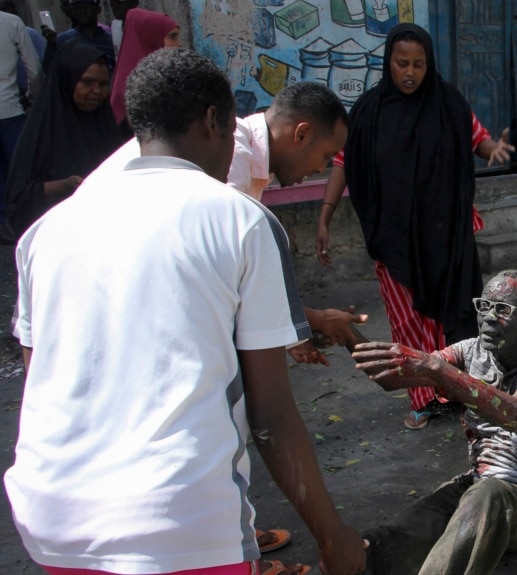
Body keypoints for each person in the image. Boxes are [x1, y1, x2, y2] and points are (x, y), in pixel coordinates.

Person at [5, 47, 367, 575]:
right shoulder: (239, 218)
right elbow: (269, 418)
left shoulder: (45, 231)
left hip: (49, 517)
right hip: (177, 520)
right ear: (213, 120)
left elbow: (45, 379)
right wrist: (334, 539)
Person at [98, 81, 366, 368]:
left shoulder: (244, 156)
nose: (319, 169)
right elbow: (223, 278)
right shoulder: (232, 154)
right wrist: (309, 320)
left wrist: (296, 329)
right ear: (301, 134)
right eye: (325, 156)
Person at [340, 23, 515, 430]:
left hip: (445, 237)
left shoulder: (448, 102)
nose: (410, 72)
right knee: (408, 320)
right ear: (389, 62)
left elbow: (477, 137)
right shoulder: (368, 112)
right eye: (402, 63)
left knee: (449, 317)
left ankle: (455, 391)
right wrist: (328, 213)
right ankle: (422, 399)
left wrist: (493, 149)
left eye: (418, 64)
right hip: (394, 239)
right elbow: (345, 162)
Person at [351, 269, 517, 574]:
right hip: (480, 484)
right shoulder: (471, 350)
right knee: (389, 540)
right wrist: (346, 335)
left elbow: (513, 413)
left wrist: (438, 369)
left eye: (503, 310)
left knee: (489, 497)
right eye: (483, 306)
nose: (489, 318)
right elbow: (393, 378)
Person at [4, 41, 122, 237]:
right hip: (59, 234)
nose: (97, 91)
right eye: (87, 82)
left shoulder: (106, 125)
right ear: (67, 80)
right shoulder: (43, 131)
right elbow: (18, 198)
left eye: (102, 84)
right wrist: (66, 185)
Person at [0, 2, 41, 237]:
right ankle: (23, 219)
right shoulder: (12, 22)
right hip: (11, 109)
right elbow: (33, 68)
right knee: (19, 168)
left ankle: (3, 221)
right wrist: (32, 98)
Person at [110, 8, 180, 131]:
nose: (179, 44)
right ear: (151, 38)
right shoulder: (131, 87)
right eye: (172, 37)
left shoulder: (165, 73)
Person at [50, 0, 115, 72]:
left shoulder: (112, 40)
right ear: (73, 11)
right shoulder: (62, 39)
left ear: (98, 10)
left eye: (87, 7)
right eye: (78, 8)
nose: (82, 11)